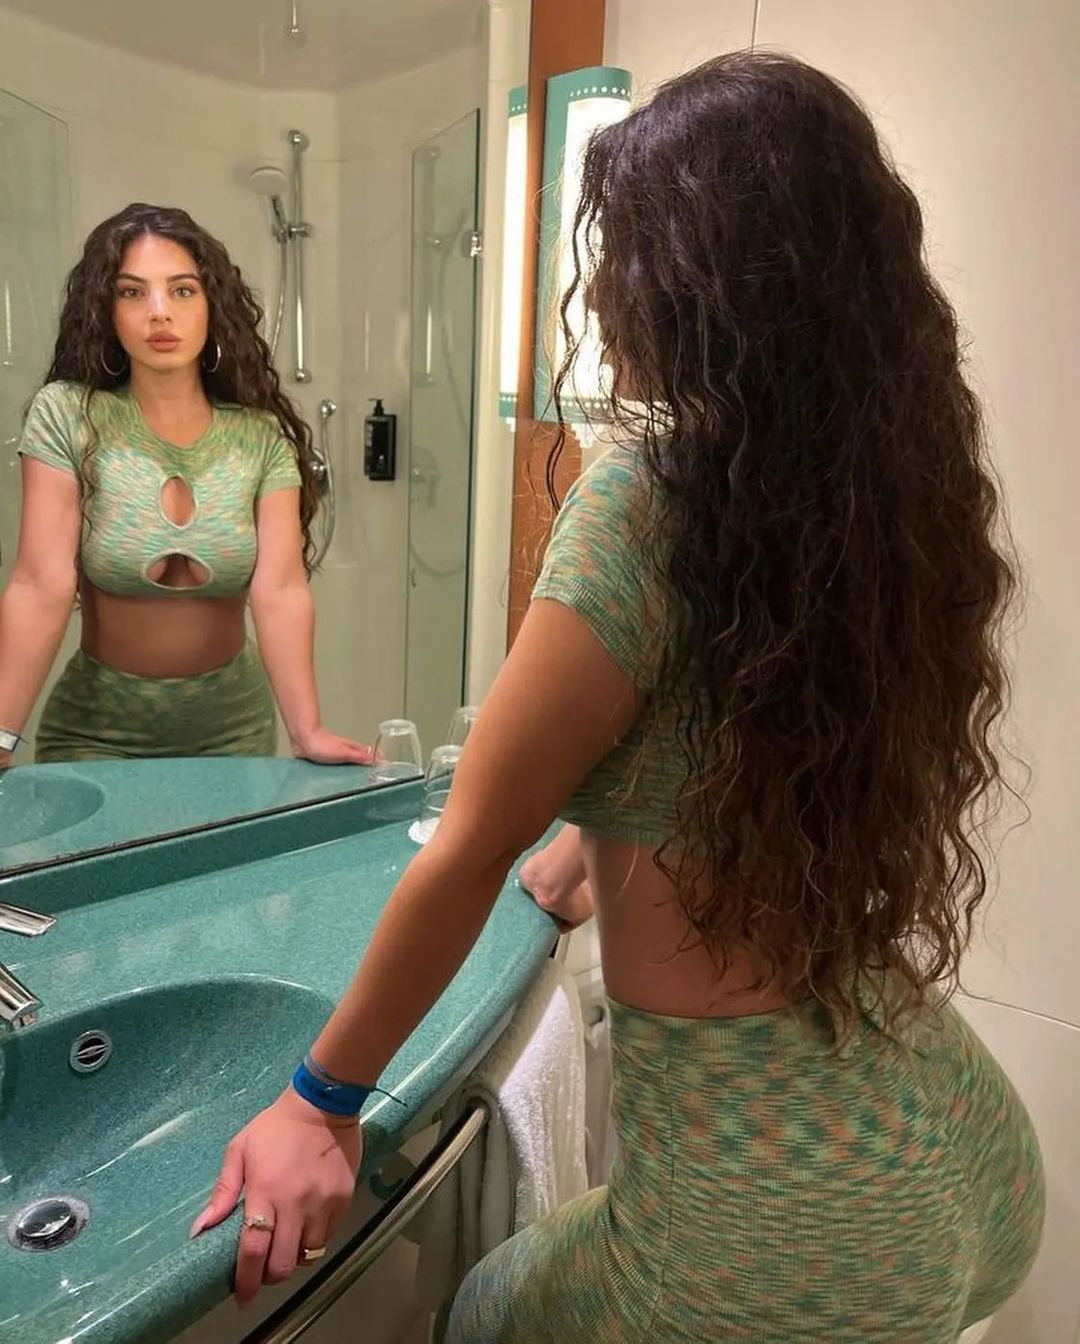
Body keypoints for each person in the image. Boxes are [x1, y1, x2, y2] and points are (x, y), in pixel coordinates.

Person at [192, 52, 1044, 1341]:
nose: (598, 292)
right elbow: (716, 749)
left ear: (696, 286)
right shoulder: (876, 503)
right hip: (956, 1128)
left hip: (784, 1215)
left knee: (483, 1315)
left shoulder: (648, 501)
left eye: (622, 256)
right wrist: (589, 853)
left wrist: (320, 1102)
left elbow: (468, 844)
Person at [0, 203, 370, 768]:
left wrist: (308, 731)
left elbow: (280, 591)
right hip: (97, 732)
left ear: (211, 305)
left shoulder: (259, 436)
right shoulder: (68, 415)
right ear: (106, 310)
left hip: (234, 730)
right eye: (132, 292)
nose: (159, 313)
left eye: (181, 290)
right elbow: (39, 584)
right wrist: (2, 734)